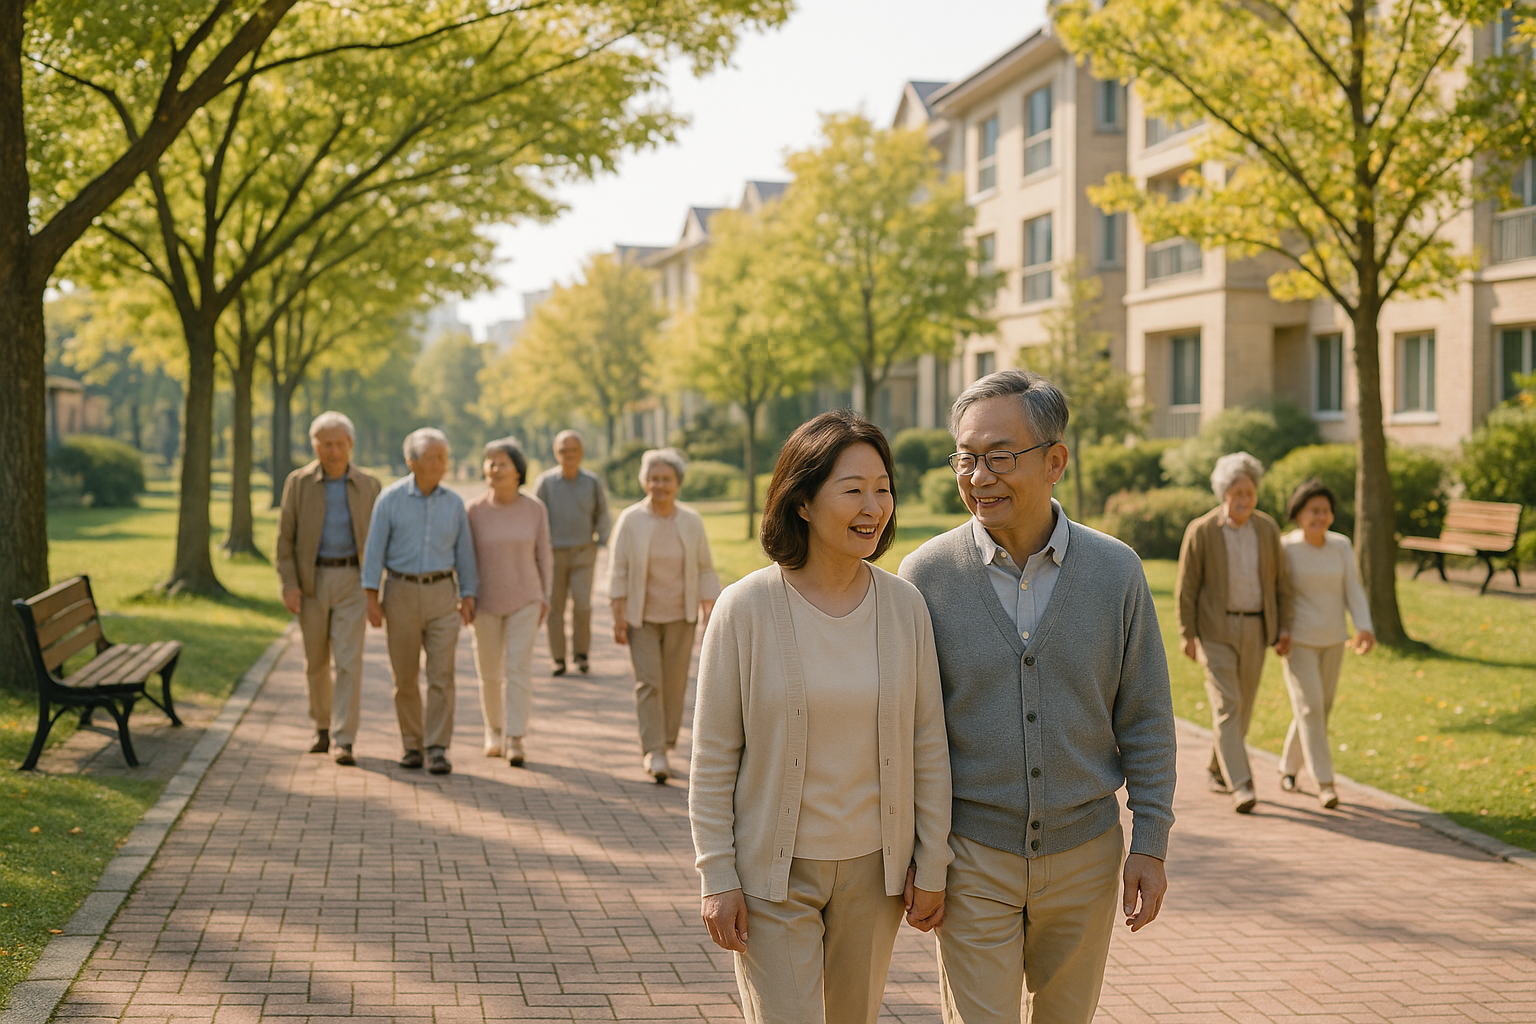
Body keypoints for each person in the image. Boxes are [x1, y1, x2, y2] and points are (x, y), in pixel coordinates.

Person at [900, 371, 1175, 1024]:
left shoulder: (1116, 572)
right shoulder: (925, 577)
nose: (979, 475)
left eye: (1000, 456)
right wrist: (921, 856)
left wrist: (1152, 843)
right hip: (971, 859)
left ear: (1055, 461)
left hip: (1086, 858)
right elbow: (908, 734)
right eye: (967, 458)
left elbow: (1145, 716)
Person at [690, 411, 951, 1024]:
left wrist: (932, 861)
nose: (873, 506)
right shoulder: (745, 608)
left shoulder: (904, 606)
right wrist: (717, 875)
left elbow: (928, 744)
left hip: (875, 876)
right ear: (802, 501)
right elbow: (714, 755)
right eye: (853, 489)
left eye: (883, 488)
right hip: (771, 879)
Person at [1176, 451, 1295, 814]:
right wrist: (1188, 633)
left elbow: (1282, 583)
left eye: (1250, 493)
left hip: (1257, 627)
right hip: (1216, 629)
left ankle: (1217, 765)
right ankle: (1241, 784)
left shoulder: (1267, 528)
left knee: (1242, 709)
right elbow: (1187, 586)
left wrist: (1284, 626)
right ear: (1223, 493)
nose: (1244, 500)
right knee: (1228, 705)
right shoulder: (1202, 530)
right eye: (1237, 493)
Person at [362, 427, 478, 776]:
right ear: (411, 461)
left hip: (443, 594)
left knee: (442, 674)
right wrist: (371, 595)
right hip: (400, 593)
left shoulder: (454, 503)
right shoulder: (390, 499)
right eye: (432, 457)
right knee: (406, 676)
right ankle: (412, 744)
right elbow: (373, 551)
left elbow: (465, 555)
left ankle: (438, 747)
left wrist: (468, 593)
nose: (440, 464)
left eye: (443, 457)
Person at [608, 448, 721, 783]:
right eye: (654, 478)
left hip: (680, 615)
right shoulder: (631, 520)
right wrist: (617, 613)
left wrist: (708, 607)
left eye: (666, 479)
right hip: (640, 617)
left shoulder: (691, 520)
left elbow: (704, 567)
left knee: (673, 685)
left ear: (678, 483)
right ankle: (654, 750)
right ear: (645, 481)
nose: (659, 485)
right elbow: (618, 569)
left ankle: (666, 742)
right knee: (648, 683)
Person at [275, 411, 381, 766]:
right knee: (316, 662)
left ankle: (344, 738)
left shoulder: (369, 485)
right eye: (325, 444)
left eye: (339, 443)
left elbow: (382, 541)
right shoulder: (299, 482)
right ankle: (322, 726)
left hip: (353, 580)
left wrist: (376, 590)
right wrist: (289, 584)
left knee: (349, 661)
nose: (333, 450)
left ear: (350, 445)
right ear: (314, 446)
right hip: (312, 583)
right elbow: (284, 539)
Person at [1278, 479, 1375, 809]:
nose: (1320, 516)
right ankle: (1325, 782)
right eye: (1312, 511)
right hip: (1298, 641)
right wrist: (1279, 631)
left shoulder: (1341, 546)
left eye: (1325, 511)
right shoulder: (1286, 547)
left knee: (1318, 709)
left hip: (1334, 639)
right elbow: (1278, 594)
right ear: (1299, 514)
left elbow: (1354, 588)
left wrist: (1364, 627)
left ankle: (1288, 768)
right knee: (1311, 708)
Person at [466, 437, 553, 768]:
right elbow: (466, 558)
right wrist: (467, 596)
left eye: (502, 462)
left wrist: (545, 596)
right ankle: (494, 730)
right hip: (485, 601)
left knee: (518, 668)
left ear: (518, 470)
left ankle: (516, 737)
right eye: (490, 462)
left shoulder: (534, 509)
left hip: (526, 599)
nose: (494, 468)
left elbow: (544, 555)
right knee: (489, 671)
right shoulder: (473, 511)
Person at [534, 429, 611, 678]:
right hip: (553, 554)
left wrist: (602, 540)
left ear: (581, 453)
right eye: (563, 451)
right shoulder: (545, 483)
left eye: (573, 450)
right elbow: (535, 516)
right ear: (556, 453)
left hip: (583, 553)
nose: (568, 455)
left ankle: (581, 655)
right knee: (554, 607)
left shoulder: (592, 481)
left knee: (582, 605)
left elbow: (602, 513)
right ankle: (558, 658)